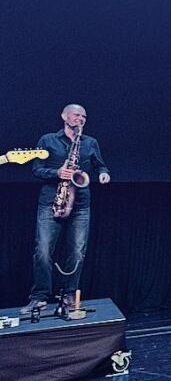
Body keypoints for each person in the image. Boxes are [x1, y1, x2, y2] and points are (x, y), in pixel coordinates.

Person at [20, 104, 111, 314]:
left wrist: (103, 173)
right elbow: (37, 170)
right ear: (64, 116)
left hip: (80, 204)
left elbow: (100, 164)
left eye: (84, 116)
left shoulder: (90, 142)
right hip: (51, 201)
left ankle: (69, 294)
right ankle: (39, 297)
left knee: (78, 252)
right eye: (77, 115)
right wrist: (57, 173)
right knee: (42, 251)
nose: (81, 118)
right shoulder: (47, 140)